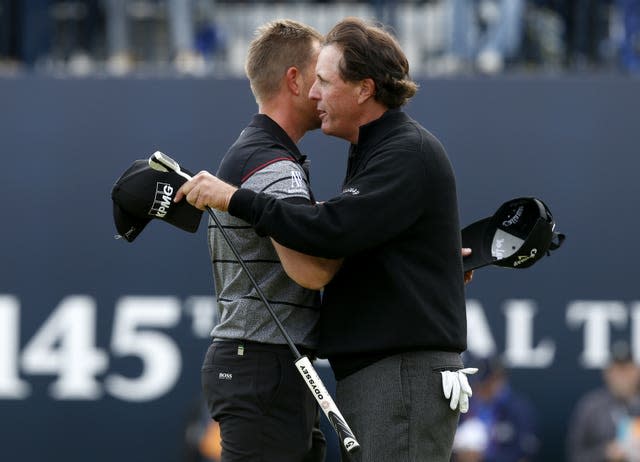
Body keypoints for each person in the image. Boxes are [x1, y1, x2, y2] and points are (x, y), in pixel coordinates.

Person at [176, 17, 474, 461]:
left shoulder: (402, 149)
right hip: (364, 374)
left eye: (326, 82)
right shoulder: (370, 150)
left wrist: (236, 199)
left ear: (364, 89)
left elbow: (329, 238)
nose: (316, 94)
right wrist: (419, 260)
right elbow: (342, 238)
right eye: (314, 81)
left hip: (397, 376)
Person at [197, 19, 335, 462]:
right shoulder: (272, 164)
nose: (326, 88)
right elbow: (311, 271)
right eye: (321, 75)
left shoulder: (259, 152)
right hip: (262, 364)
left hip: (263, 365)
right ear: (294, 80)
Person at [452, 354, 539, 462]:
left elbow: (524, 455)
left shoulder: (519, 410)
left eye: (485, 384)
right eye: (477, 384)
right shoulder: (467, 404)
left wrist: (482, 457)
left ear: (498, 379)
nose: (478, 389)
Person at [567, 340, 640, 462]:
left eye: (627, 369)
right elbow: (574, 456)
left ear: (636, 372)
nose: (622, 376)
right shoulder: (590, 407)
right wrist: (605, 453)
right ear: (607, 372)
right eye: (617, 370)